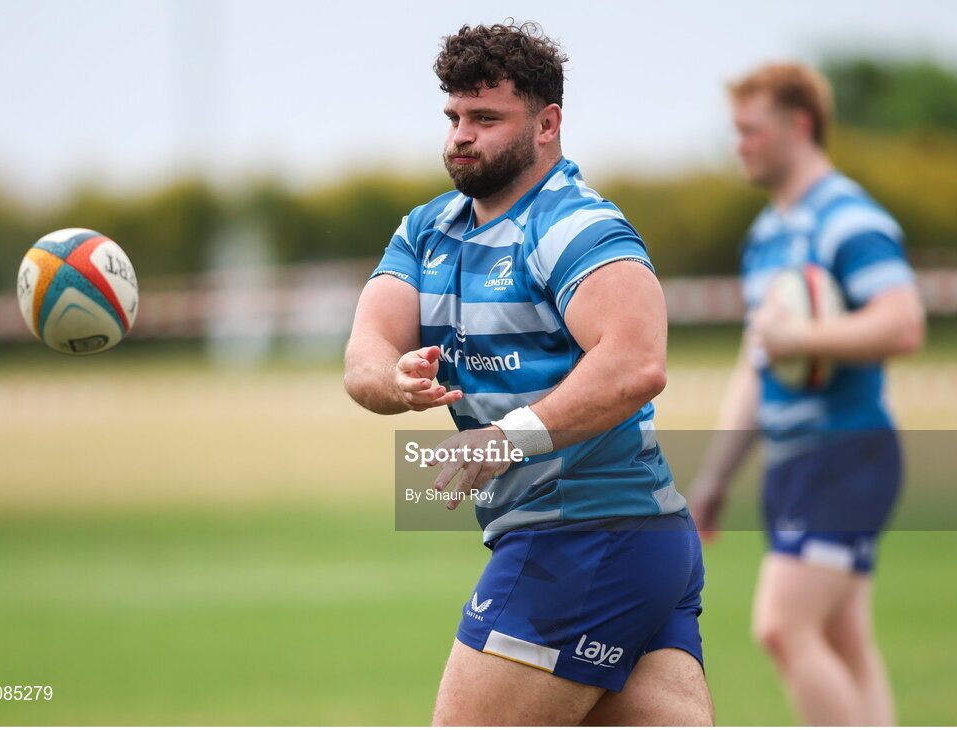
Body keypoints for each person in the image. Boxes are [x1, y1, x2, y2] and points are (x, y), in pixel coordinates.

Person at [343, 21, 713, 726]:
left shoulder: (576, 228)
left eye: (486, 118)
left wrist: (507, 437)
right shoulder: (427, 232)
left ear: (548, 124)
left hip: (585, 536)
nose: (460, 134)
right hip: (627, 546)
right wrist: (394, 380)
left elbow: (636, 363)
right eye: (453, 116)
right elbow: (364, 352)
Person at [689, 63, 925, 726]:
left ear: (800, 124)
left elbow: (902, 321)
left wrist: (804, 337)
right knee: (845, 638)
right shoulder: (765, 235)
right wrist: (716, 473)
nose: (740, 144)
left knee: (781, 627)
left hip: (846, 453)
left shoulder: (848, 218)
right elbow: (754, 365)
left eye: (751, 130)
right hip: (794, 462)